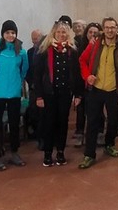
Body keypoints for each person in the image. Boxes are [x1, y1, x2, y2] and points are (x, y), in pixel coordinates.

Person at [78, 17, 118, 169]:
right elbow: (82, 60)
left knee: (113, 121)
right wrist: (87, 76)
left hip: (113, 90)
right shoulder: (95, 45)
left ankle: (109, 144)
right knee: (92, 122)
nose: (110, 30)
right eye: (107, 27)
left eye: (112, 27)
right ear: (103, 29)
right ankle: (89, 154)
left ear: (117, 29)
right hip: (96, 90)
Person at [34, 20, 84, 166]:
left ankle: (60, 152)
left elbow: (76, 74)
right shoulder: (44, 50)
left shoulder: (72, 51)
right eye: (58, 32)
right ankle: (48, 153)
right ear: (53, 33)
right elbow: (37, 75)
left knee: (63, 123)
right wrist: (38, 96)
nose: (61, 35)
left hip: (64, 93)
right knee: (49, 123)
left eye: (64, 32)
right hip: (48, 93)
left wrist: (78, 94)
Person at [0, 20, 29, 171]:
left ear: (16, 34)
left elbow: (24, 71)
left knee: (15, 123)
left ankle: (14, 153)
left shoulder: (21, 52)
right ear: (3, 34)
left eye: (13, 33)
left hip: (15, 93)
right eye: (8, 32)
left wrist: (17, 83)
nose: (10, 35)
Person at [74, 22, 103, 147]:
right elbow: (77, 66)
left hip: (98, 83)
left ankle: (100, 133)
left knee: (98, 110)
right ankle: (80, 133)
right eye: (90, 32)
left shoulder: (102, 46)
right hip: (83, 83)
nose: (92, 35)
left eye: (95, 32)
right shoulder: (80, 47)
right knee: (81, 110)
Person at [26, 29, 44, 148]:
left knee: (45, 113)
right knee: (34, 112)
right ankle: (38, 136)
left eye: (36, 39)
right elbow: (27, 70)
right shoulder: (29, 52)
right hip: (34, 87)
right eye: (32, 39)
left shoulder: (45, 50)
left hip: (45, 86)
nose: (34, 41)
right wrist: (31, 83)